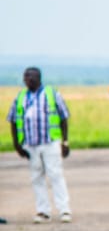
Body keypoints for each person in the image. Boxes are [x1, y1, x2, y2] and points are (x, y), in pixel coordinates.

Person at [8, 67, 72, 223]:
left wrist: (65, 141)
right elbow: (13, 120)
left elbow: (64, 118)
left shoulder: (51, 94)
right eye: (25, 76)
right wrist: (17, 145)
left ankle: (64, 210)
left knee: (55, 175)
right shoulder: (21, 97)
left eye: (29, 76)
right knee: (36, 178)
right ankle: (43, 211)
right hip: (31, 145)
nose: (26, 79)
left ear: (38, 77)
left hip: (50, 142)